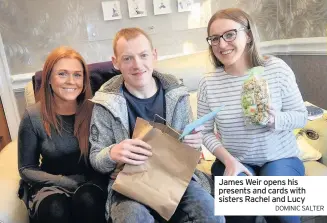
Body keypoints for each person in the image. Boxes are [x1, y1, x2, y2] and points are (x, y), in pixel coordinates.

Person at [89, 28, 224, 223]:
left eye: (143, 55)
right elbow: (96, 158)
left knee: (211, 214)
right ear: (115, 62)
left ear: (154, 55)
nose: (137, 65)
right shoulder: (104, 103)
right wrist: (112, 153)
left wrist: (193, 145)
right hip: (130, 184)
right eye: (127, 58)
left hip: (175, 180)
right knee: (132, 218)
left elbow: (192, 155)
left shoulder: (177, 95)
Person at [198, 8, 308, 223]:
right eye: (214, 39)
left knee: (282, 213)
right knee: (241, 214)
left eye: (229, 34)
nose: (222, 44)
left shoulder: (276, 69)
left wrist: (278, 120)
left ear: (248, 35)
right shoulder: (209, 82)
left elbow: (301, 116)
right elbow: (204, 131)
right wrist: (229, 161)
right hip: (234, 160)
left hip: (280, 158)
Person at [18, 46, 106, 223]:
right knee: (54, 208)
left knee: (87, 199)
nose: (71, 81)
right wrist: (65, 182)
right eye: (62, 74)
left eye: (77, 75)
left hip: (92, 183)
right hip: (52, 185)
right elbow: (26, 168)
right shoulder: (33, 116)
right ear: (49, 78)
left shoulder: (96, 110)